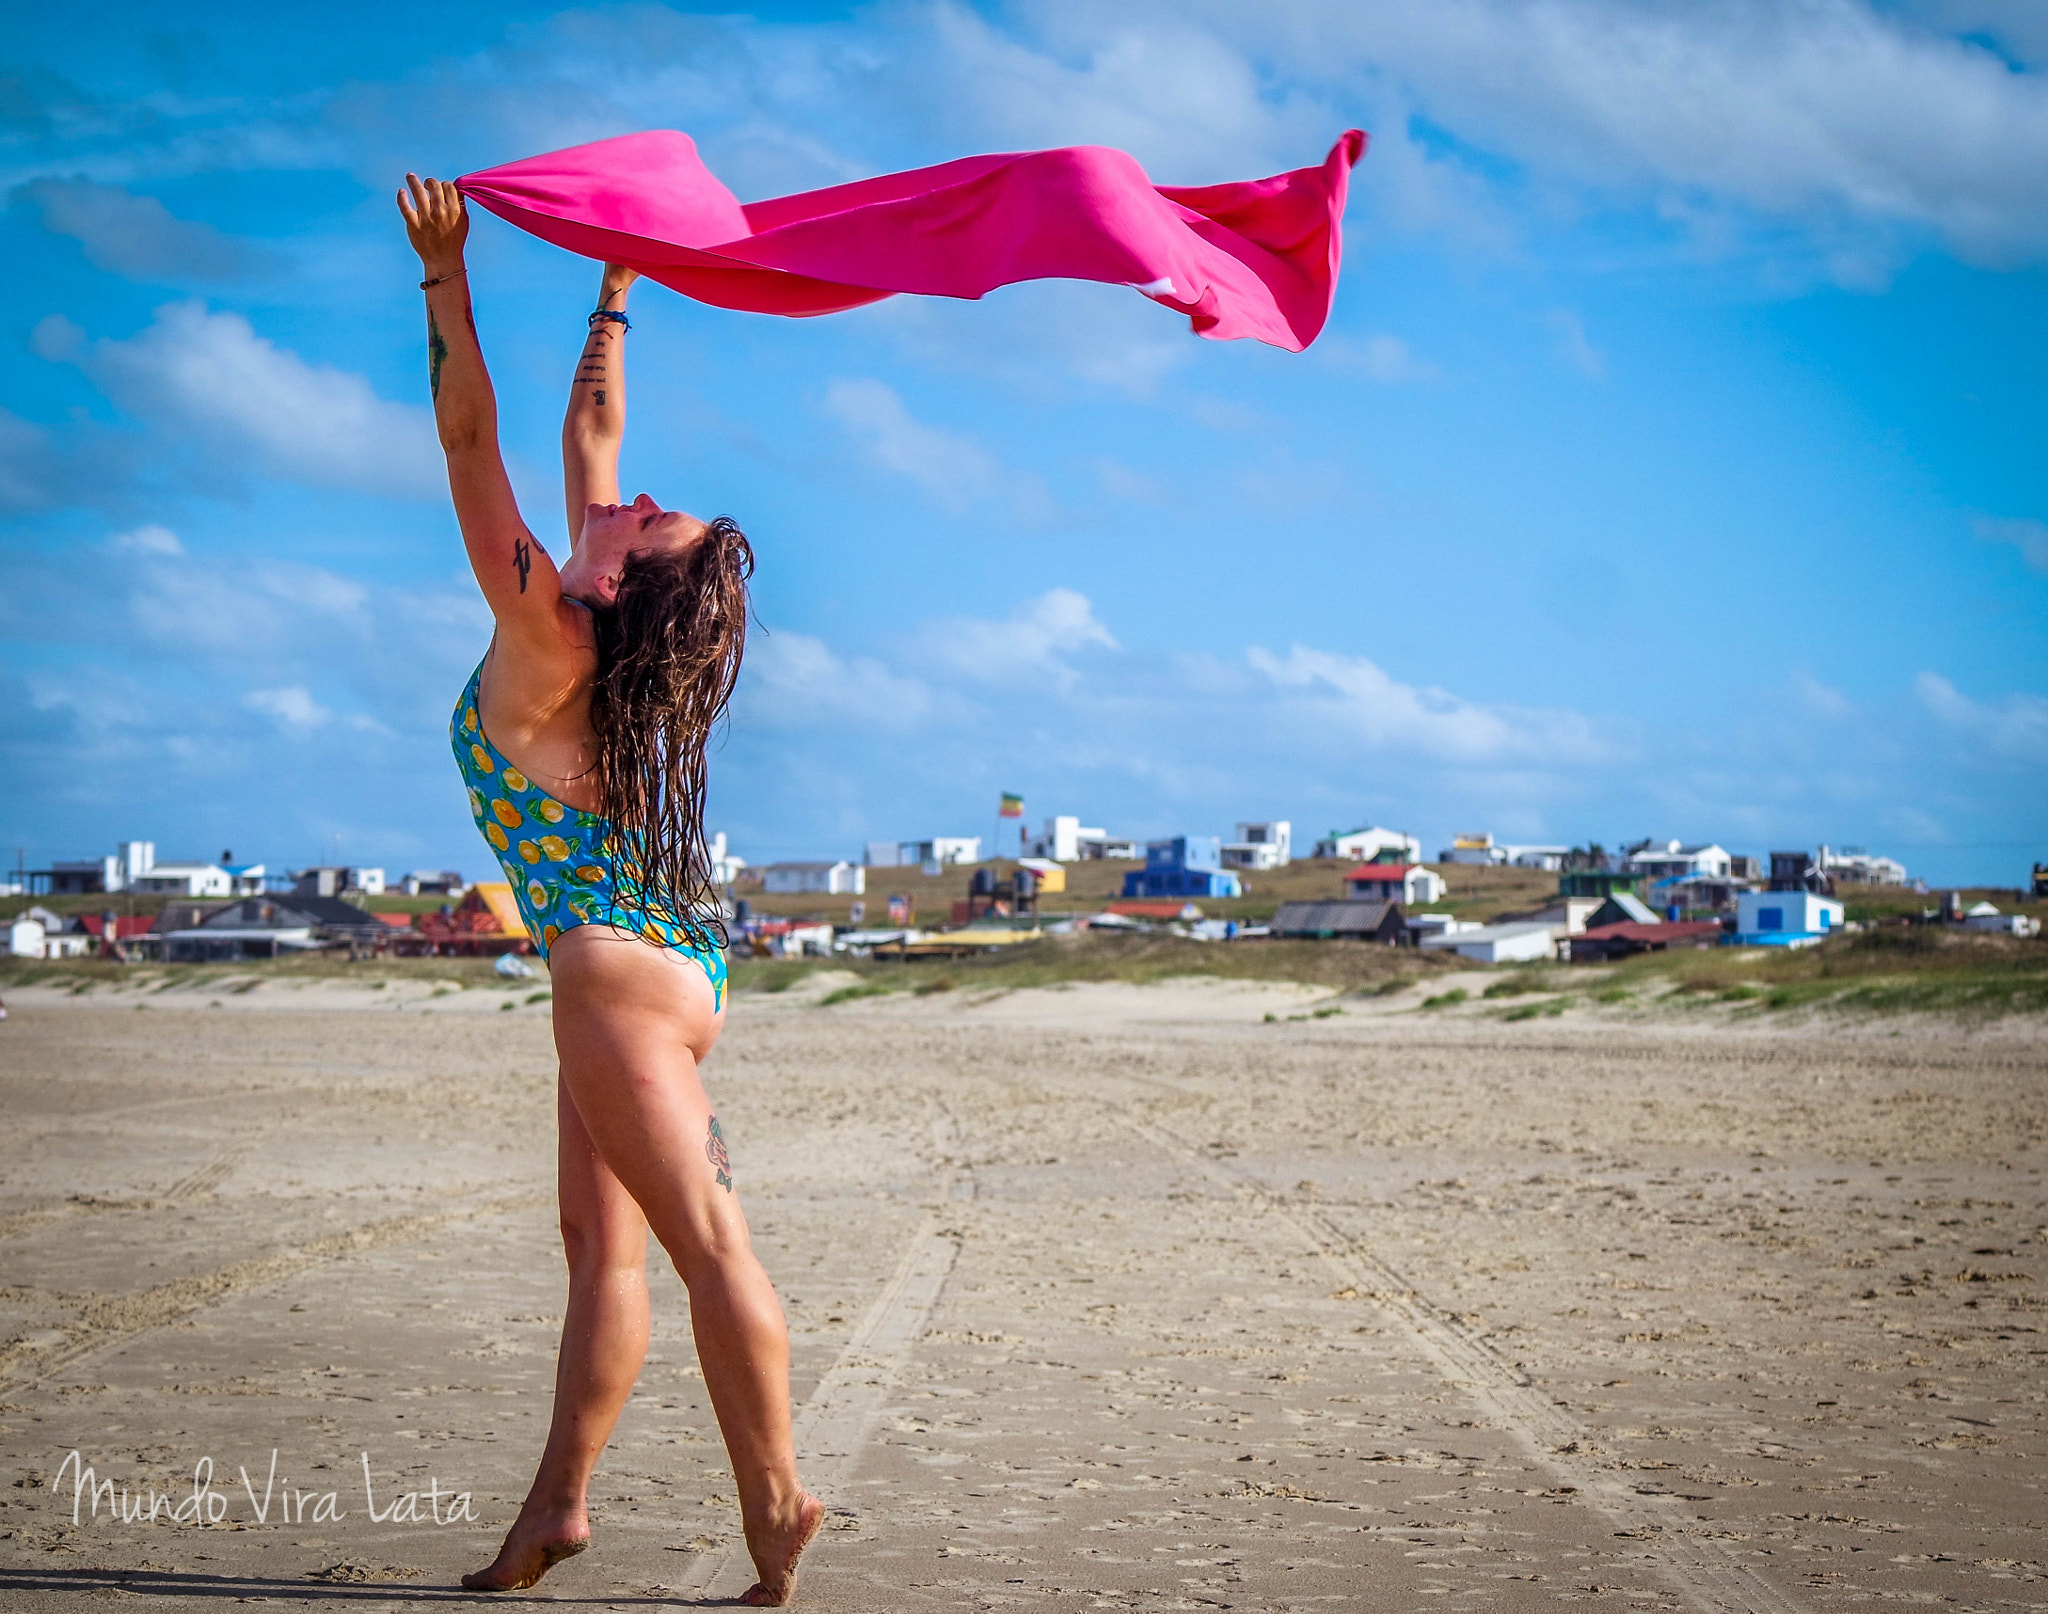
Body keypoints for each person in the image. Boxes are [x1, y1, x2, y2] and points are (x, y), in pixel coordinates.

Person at [396, 174, 822, 1607]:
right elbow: (594, 430)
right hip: (665, 960)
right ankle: (555, 1512)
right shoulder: (593, 616)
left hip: (614, 970)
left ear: (629, 579)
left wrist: (445, 279)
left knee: (703, 1247)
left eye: (650, 518)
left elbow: (472, 439)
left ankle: (777, 1504)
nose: (630, 495)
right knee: (601, 1250)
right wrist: (617, 286)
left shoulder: (545, 626)